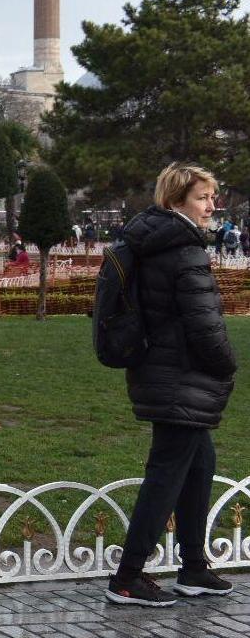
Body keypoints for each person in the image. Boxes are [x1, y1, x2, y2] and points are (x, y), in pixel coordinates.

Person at [106, 163, 237, 607]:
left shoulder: (151, 241)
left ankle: (194, 566)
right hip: (181, 374)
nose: (211, 206)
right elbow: (205, 325)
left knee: (200, 464)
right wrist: (227, 365)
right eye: (202, 198)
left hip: (160, 370)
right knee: (166, 474)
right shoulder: (184, 250)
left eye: (212, 197)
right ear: (176, 200)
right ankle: (128, 576)